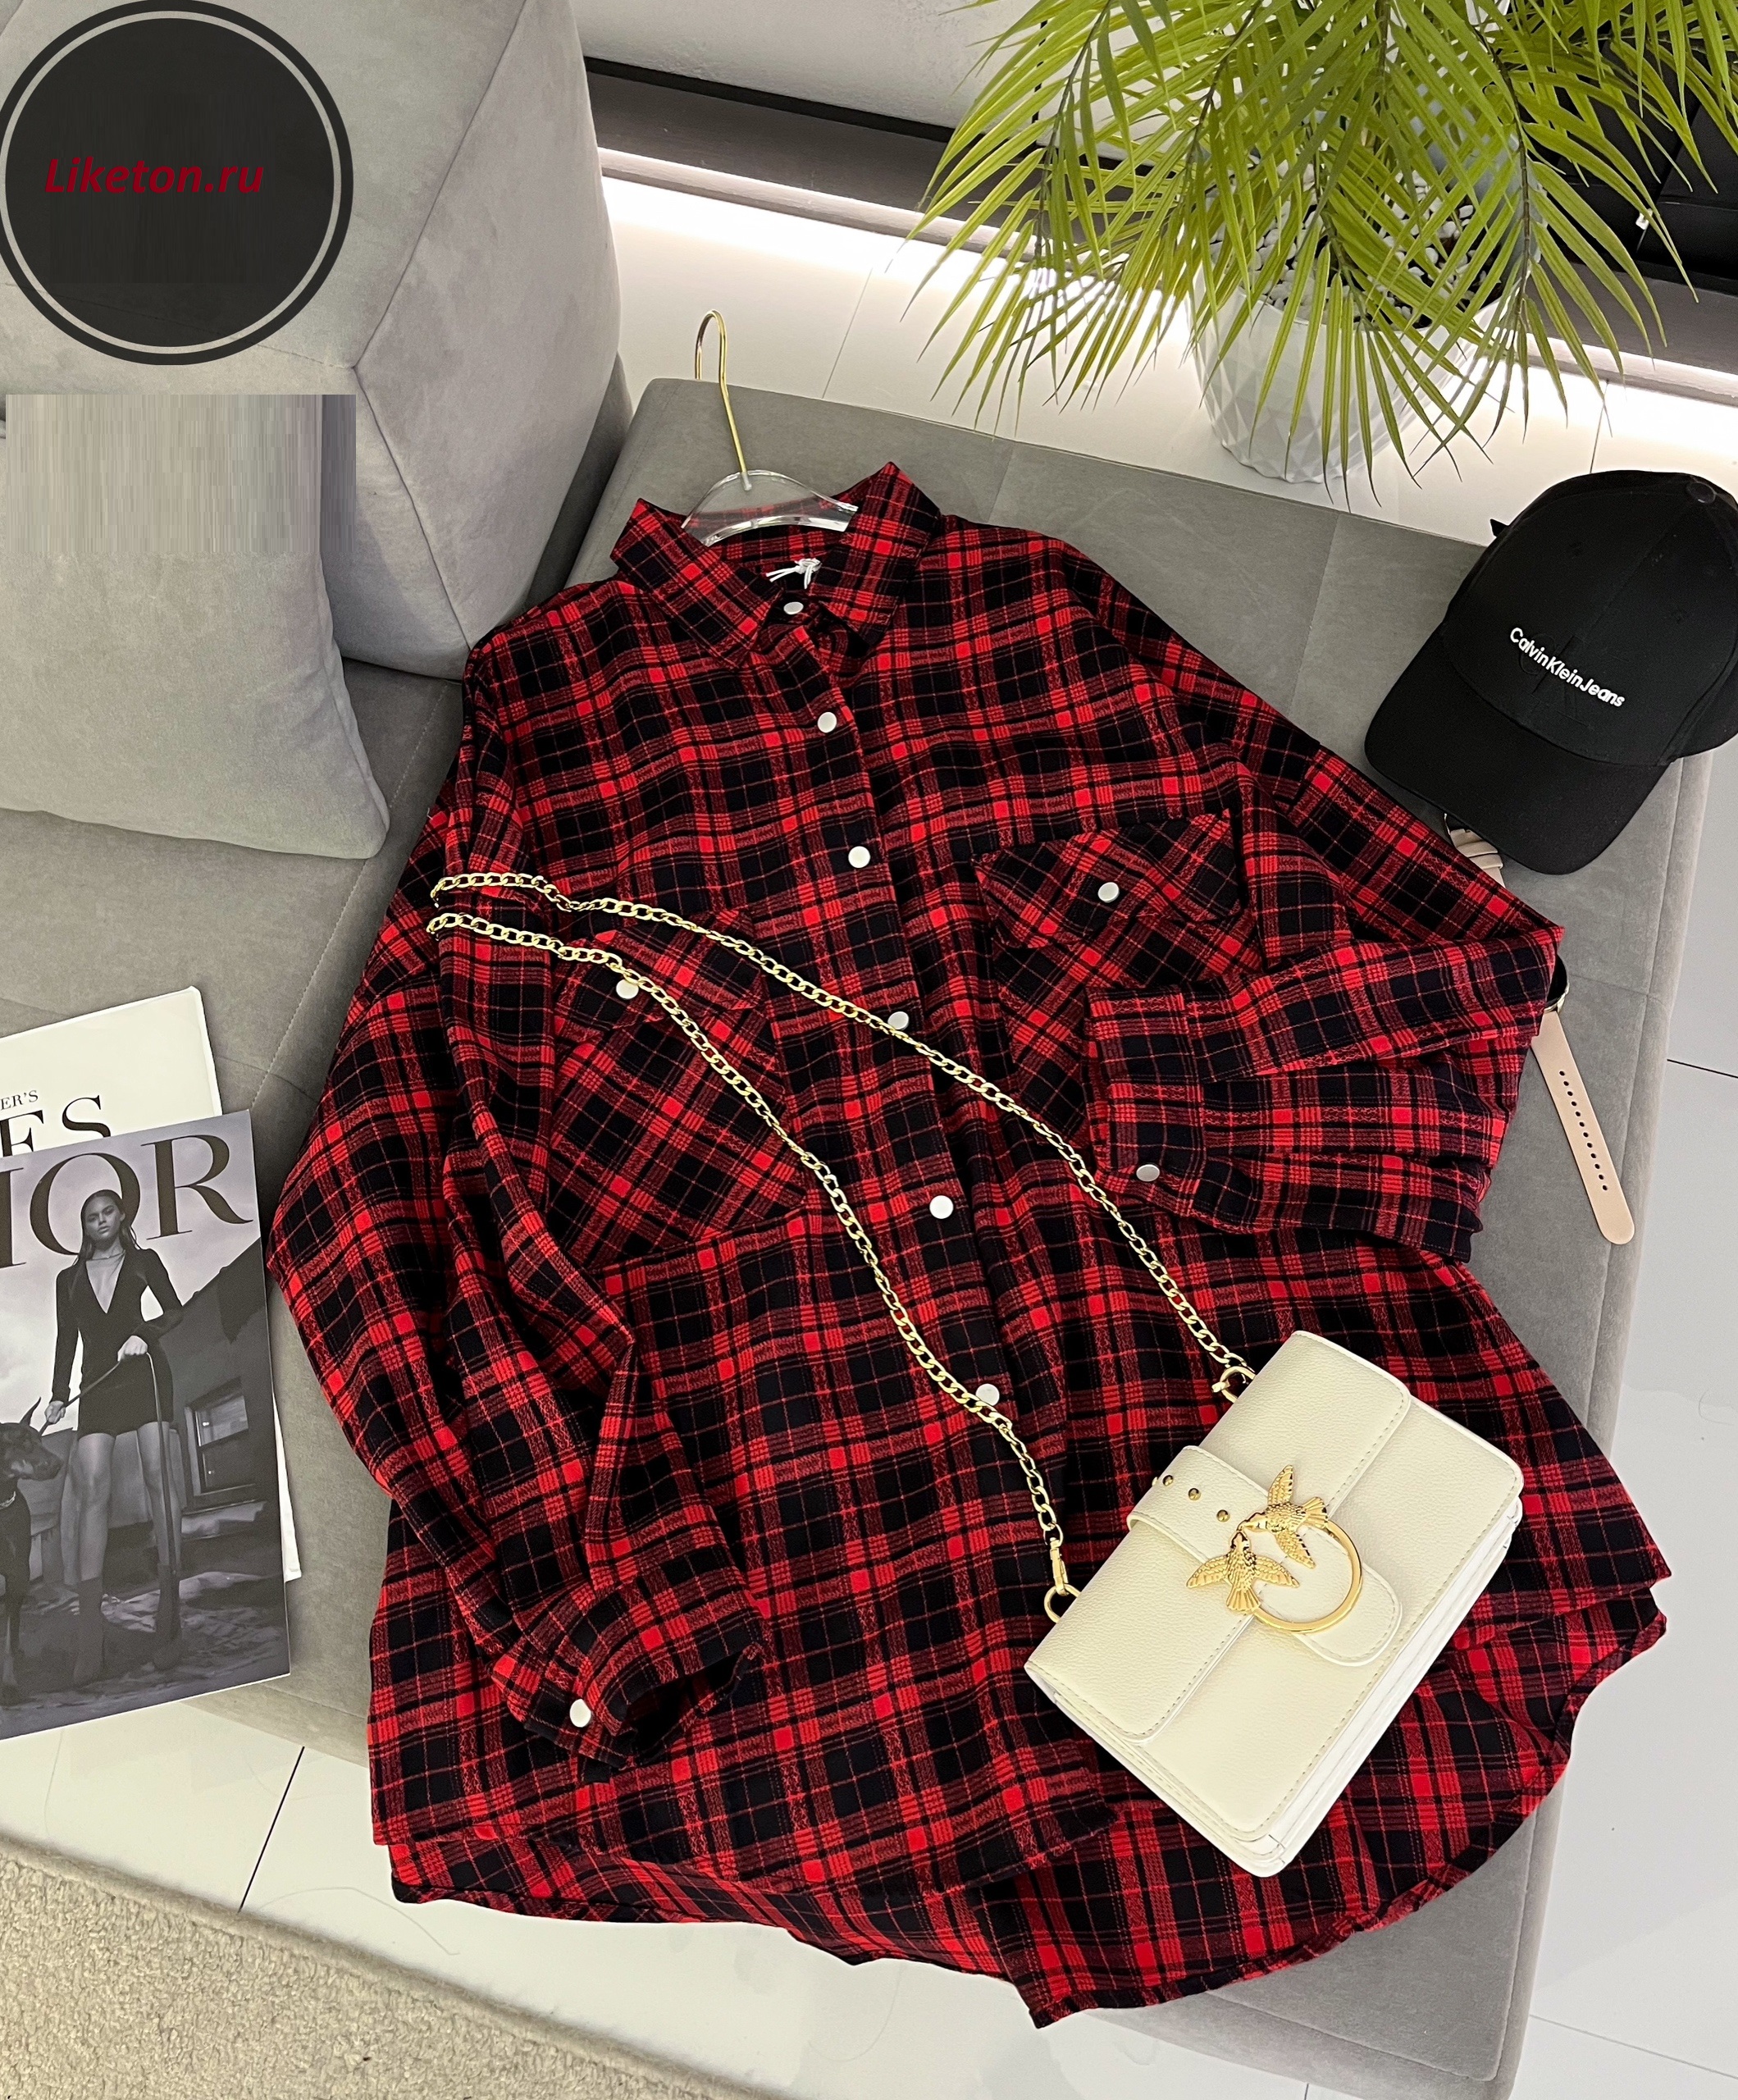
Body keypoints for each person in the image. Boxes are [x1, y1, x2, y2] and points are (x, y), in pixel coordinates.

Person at [43, 1190, 185, 1685]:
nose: (100, 1221)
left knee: (157, 1477)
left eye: (107, 1213)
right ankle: (91, 1634)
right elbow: (66, 1338)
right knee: (92, 1489)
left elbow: (174, 1311)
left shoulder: (145, 1262)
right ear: (83, 1226)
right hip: (97, 1385)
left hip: (144, 1373)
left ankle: (170, 1615)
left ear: (122, 1216)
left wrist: (145, 1334)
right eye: (91, 1217)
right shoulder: (67, 1280)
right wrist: (58, 1394)